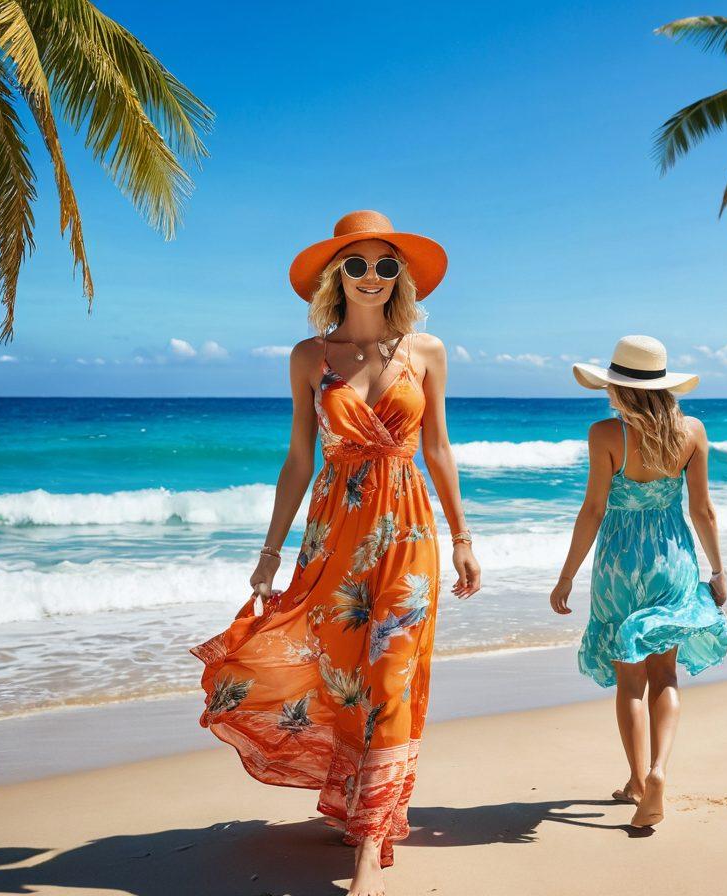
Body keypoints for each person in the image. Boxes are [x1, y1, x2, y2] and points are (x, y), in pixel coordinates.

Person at [190, 210, 481, 896]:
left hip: (409, 532)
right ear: (336, 275)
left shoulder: (429, 351)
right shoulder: (309, 357)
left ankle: (371, 845)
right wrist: (270, 550)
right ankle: (355, 807)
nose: (374, 277)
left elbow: (438, 449)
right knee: (343, 674)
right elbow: (297, 458)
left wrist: (464, 538)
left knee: (393, 678)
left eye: (386, 265)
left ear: (400, 275)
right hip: (335, 533)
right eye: (359, 264)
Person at [549, 334, 727, 828]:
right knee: (665, 675)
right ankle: (658, 771)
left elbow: (592, 510)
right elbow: (702, 511)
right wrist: (717, 570)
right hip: (672, 559)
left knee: (630, 678)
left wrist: (566, 576)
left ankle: (635, 780)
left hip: (619, 564)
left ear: (619, 388)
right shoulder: (691, 431)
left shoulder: (605, 434)